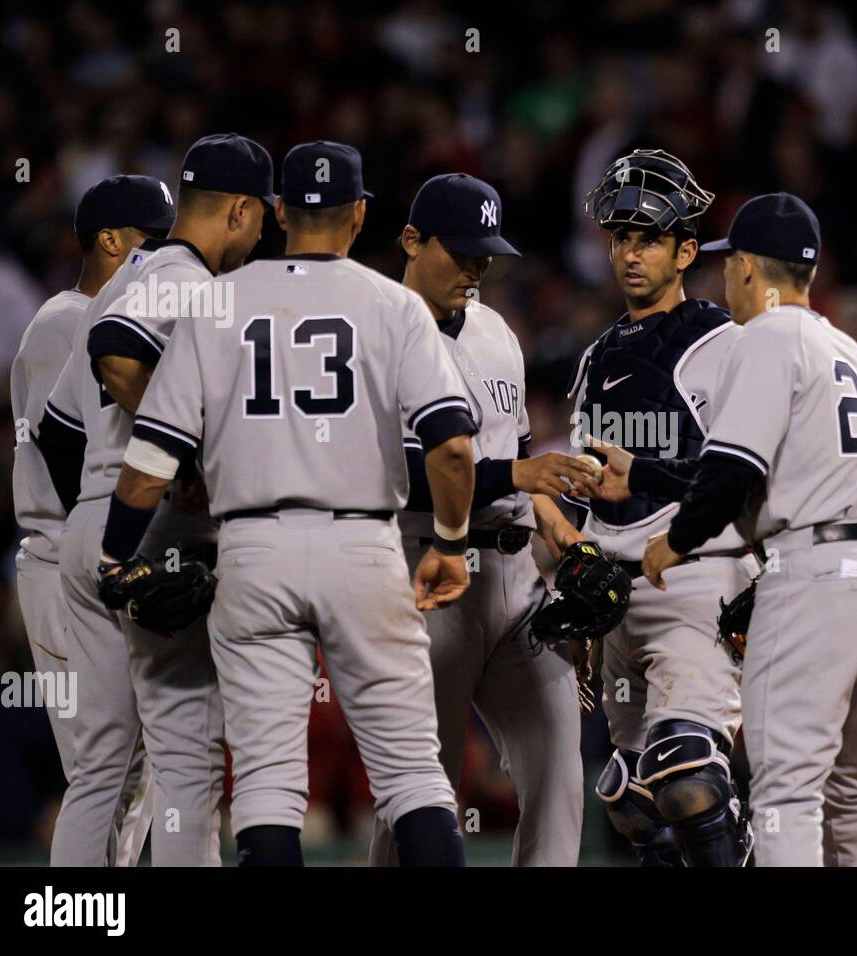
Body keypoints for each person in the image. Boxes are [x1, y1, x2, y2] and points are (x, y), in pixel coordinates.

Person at [98, 140, 478, 866]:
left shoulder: (217, 301)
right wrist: (452, 543)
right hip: (363, 545)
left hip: (252, 551)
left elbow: (151, 457)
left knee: (268, 788)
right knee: (410, 777)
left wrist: (115, 552)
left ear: (278, 212)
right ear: (360, 214)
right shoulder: (395, 306)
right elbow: (454, 448)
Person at [642, 192, 857, 866]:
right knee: (850, 790)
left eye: (725, 265)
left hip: (819, 577)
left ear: (743, 268)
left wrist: (672, 544)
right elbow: (771, 474)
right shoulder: (848, 347)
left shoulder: (765, 334)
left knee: (786, 794)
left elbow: (733, 471)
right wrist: (649, 475)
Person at [42, 133, 273, 866]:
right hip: (148, 531)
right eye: (261, 217)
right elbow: (116, 350)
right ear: (238, 210)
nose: (262, 234)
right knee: (185, 761)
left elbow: (55, 431)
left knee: (102, 769)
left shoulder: (126, 275)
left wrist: (95, 508)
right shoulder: (184, 278)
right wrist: (174, 456)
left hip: (93, 524)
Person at [366, 173, 593, 866]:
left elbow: (516, 455)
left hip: (515, 575)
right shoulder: (372, 332)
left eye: (484, 255)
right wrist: (519, 478)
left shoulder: (497, 331)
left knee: (559, 767)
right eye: (459, 252)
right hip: (423, 570)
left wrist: (552, 519)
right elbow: (400, 480)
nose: (474, 269)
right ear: (411, 240)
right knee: (417, 792)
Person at [567, 149, 753, 866]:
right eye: (619, 237)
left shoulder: (723, 342)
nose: (629, 252)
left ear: (685, 250)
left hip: (696, 579)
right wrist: (580, 579)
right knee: (631, 802)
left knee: (687, 776)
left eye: (646, 237)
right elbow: (590, 498)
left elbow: (739, 475)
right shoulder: (595, 357)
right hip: (618, 600)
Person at [13, 174, 175, 865]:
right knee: (101, 773)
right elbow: (61, 445)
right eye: (153, 237)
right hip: (64, 567)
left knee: (135, 778)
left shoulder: (124, 312)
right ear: (109, 239)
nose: (166, 252)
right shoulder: (65, 319)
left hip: (100, 559)